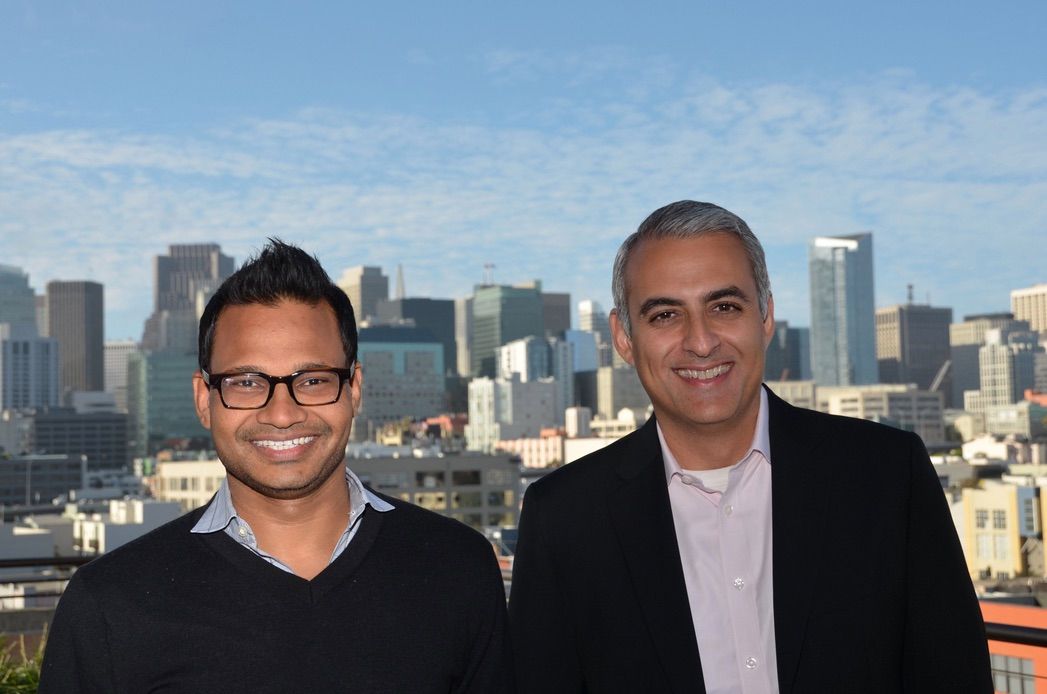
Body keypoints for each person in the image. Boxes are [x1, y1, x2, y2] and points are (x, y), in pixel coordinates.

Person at [508, 201, 991, 693]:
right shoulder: (564, 518)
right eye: (665, 315)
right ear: (624, 338)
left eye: (724, 307)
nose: (701, 342)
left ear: (765, 317)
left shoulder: (886, 476)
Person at [41, 240, 512, 693]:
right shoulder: (109, 605)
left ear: (354, 390)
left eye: (313, 380)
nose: (282, 414)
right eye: (246, 382)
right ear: (204, 399)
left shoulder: (457, 567)